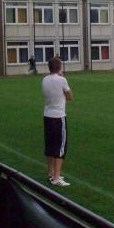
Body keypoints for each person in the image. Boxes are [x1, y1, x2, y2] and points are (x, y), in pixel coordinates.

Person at [42, 56, 73, 187]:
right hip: (58, 116)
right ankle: (56, 177)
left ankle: (50, 173)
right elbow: (70, 96)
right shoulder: (62, 80)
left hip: (47, 115)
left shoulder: (44, 79)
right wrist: (61, 77)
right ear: (59, 67)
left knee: (50, 145)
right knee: (60, 147)